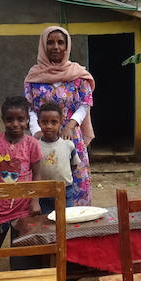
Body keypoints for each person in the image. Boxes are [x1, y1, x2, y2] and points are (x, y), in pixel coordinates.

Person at [24, 26, 94, 206]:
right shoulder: (34, 76)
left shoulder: (78, 74)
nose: (55, 47)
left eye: (60, 42)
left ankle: (74, 226)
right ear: (43, 46)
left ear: (67, 46)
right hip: (42, 137)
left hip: (71, 136)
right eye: (50, 42)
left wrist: (70, 125)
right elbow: (30, 107)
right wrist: (36, 131)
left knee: (75, 176)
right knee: (43, 174)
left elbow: (85, 103)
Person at [0, 96, 42, 270]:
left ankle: (18, 279)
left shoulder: (32, 144)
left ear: (28, 120)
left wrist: (35, 200)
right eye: (10, 119)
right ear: (3, 119)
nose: (15, 124)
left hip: (22, 207)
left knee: (20, 252)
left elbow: (37, 175)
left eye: (20, 119)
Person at [35, 101, 79, 216]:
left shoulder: (68, 145)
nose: (49, 126)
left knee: (66, 219)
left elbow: (73, 165)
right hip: (43, 192)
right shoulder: (35, 146)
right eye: (44, 122)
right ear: (38, 123)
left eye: (54, 122)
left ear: (61, 123)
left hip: (64, 191)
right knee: (45, 221)